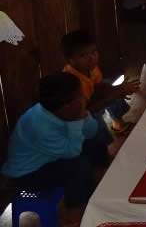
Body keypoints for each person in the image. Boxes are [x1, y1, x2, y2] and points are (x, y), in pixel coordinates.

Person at [2, 74, 103, 221]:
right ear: (67, 106)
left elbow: (92, 131)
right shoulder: (40, 125)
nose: (85, 98)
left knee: (95, 141)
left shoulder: (60, 111)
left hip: (48, 158)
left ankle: (99, 188)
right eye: (80, 95)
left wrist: (83, 116)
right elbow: (73, 152)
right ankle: (75, 217)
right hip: (27, 174)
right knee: (78, 167)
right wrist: (75, 120)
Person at [62, 30, 140, 134]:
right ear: (70, 60)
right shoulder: (73, 82)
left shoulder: (90, 68)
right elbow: (87, 110)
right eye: (83, 55)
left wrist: (118, 89)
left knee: (112, 89)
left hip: (88, 98)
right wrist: (115, 94)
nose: (91, 58)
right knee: (95, 121)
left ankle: (118, 123)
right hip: (77, 115)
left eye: (93, 52)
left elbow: (98, 86)